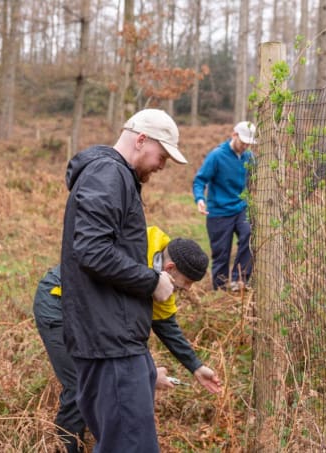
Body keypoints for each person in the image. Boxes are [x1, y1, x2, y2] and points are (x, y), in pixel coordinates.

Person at [60, 108, 186, 453]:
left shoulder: (112, 176)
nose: (162, 166)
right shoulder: (108, 174)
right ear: (141, 139)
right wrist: (151, 282)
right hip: (109, 342)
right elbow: (92, 250)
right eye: (162, 156)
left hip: (113, 339)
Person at [34, 226, 222, 452]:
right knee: (78, 385)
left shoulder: (161, 278)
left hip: (94, 313)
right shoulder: (133, 254)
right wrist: (147, 375)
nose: (182, 291)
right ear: (170, 268)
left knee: (98, 383)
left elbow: (165, 325)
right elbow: (121, 330)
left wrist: (196, 366)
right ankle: (66, 448)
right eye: (181, 285)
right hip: (60, 302)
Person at [192, 121, 256, 291]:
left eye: (248, 144)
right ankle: (220, 289)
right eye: (243, 142)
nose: (245, 146)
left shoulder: (249, 158)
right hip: (219, 211)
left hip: (241, 207)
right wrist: (199, 199)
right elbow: (200, 180)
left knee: (249, 234)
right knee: (221, 253)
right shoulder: (217, 156)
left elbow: (255, 180)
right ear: (234, 135)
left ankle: (239, 280)